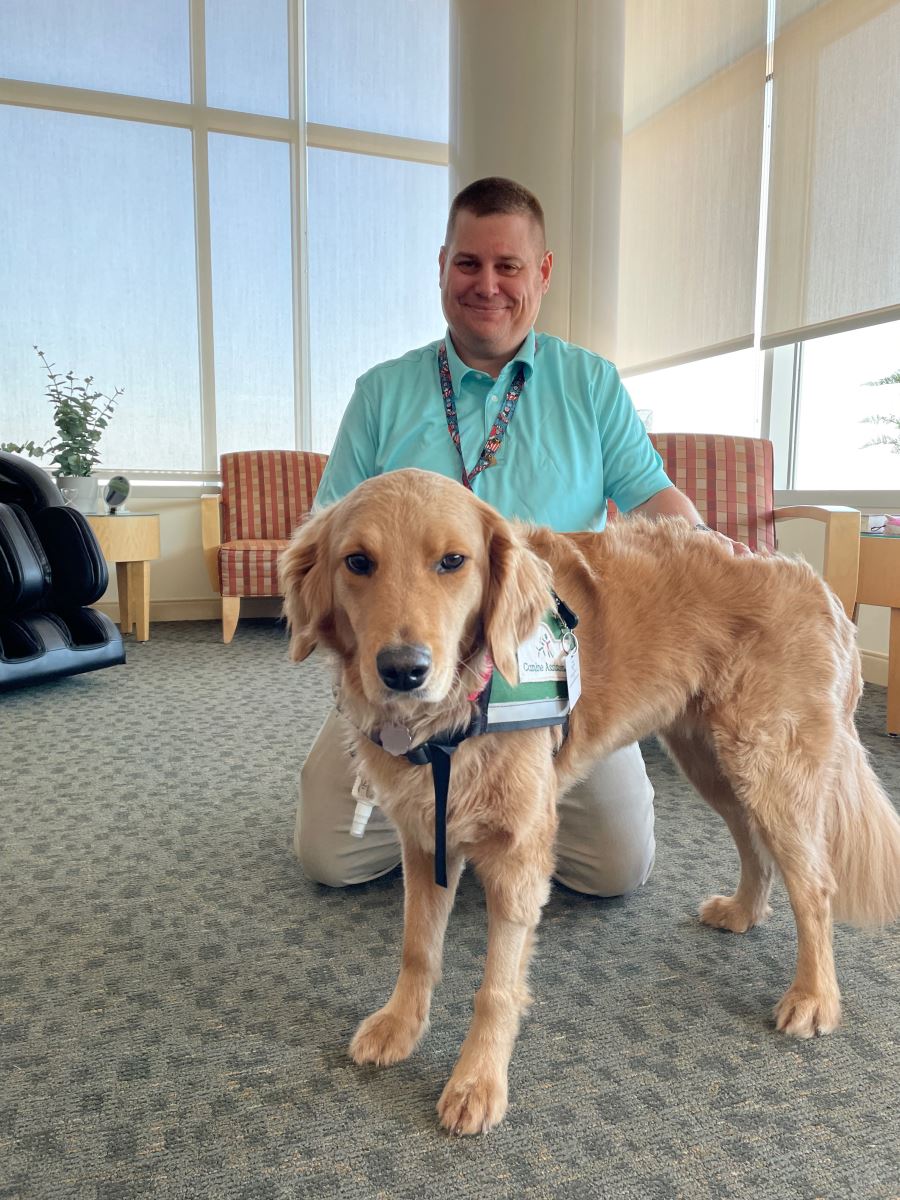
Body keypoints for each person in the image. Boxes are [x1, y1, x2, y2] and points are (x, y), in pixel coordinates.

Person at [295, 176, 744, 893]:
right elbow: (330, 539)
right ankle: (460, 819)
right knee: (331, 857)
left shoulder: (590, 383)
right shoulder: (381, 392)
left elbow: (653, 497)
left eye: (509, 266)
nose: (488, 285)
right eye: (468, 263)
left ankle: (495, 823)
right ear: (441, 266)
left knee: (615, 871)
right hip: (412, 661)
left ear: (543, 272)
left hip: (554, 664)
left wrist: (716, 558)